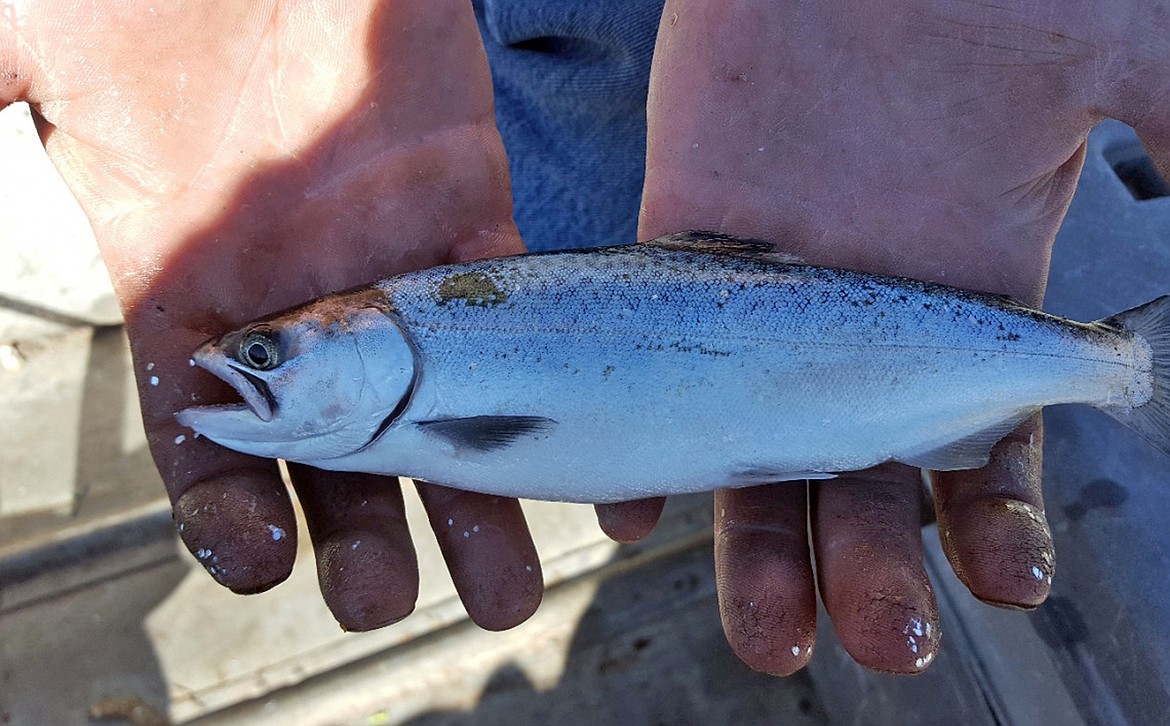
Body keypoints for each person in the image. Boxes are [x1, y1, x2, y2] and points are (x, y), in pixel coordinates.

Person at [2, 0, 1166, 677]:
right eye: (261, 355)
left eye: (268, 356)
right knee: (559, 175)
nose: (237, 365)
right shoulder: (423, 339)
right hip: (459, 41)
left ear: (360, 340)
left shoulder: (433, 375)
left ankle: (1122, 366)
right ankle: (1112, 366)